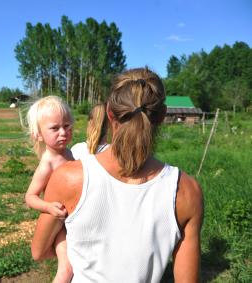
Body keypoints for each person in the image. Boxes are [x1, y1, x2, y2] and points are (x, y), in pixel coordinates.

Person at [31, 68, 204, 282]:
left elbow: (38, 251)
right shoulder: (187, 191)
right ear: (161, 116)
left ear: (109, 114)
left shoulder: (69, 177)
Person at [25, 95, 74, 283]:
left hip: (71, 219)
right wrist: (48, 208)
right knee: (66, 270)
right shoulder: (48, 163)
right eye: (55, 128)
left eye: (67, 126)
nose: (63, 132)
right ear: (38, 134)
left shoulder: (70, 153)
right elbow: (30, 196)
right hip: (59, 223)